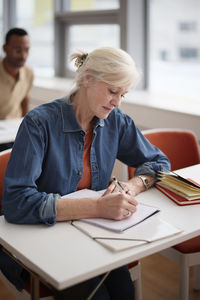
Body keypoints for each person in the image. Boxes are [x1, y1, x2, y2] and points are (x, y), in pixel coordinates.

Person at [2, 47, 170, 299]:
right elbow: (16, 203)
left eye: (123, 94)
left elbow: (158, 161)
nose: (117, 102)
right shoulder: (39, 123)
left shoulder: (116, 120)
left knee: (125, 292)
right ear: (88, 77)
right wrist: (98, 207)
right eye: (113, 91)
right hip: (42, 240)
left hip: (94, 237)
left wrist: (132, 186)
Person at [0, 27, 34, 120]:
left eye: (26, 50)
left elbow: (24, 103)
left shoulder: (29, 72)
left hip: (14, 127)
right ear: (5, 49)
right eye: (18, 51)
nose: (23, 56)